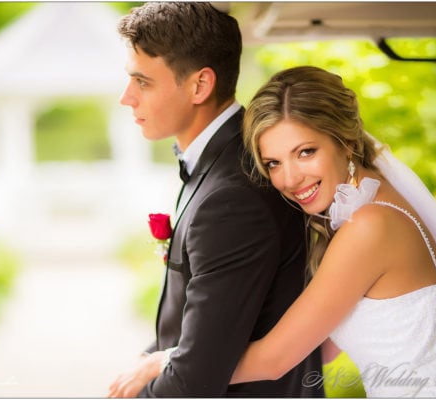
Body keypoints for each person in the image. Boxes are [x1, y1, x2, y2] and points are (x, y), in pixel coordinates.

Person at [108, 4, 323, 398]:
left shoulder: (232, 196)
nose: (127, 98)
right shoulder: (224, 162)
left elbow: (197, 377)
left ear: (200, 85)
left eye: (143, 82)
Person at [228, 66, 436, 397]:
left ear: (345, 141)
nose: (289, 179)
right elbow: (321, 351)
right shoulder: (370, 208)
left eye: (305, 152)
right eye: (274, 163)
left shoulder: (370, 225)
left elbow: (276, 361)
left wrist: (171, 364)